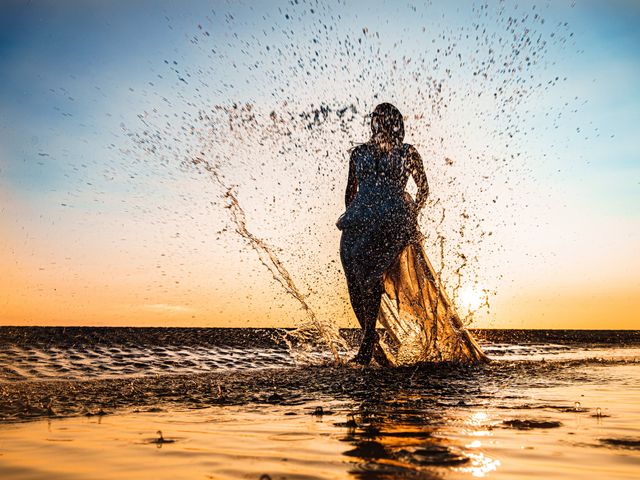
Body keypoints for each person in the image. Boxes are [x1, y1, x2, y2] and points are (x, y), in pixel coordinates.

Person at [337, 103, 487, 366]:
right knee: (354, 282)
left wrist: (410, 214)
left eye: (387, 121)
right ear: (374, 124)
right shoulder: (358, 153)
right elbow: (350, 191)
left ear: (396, 124)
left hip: (391, 220)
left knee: (371, 279)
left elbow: (424, 189)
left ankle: (367, 341)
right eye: (378, 121)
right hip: (358, 223)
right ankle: (369, 339)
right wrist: (353, 218)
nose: (382, 125)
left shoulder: (408, 153)